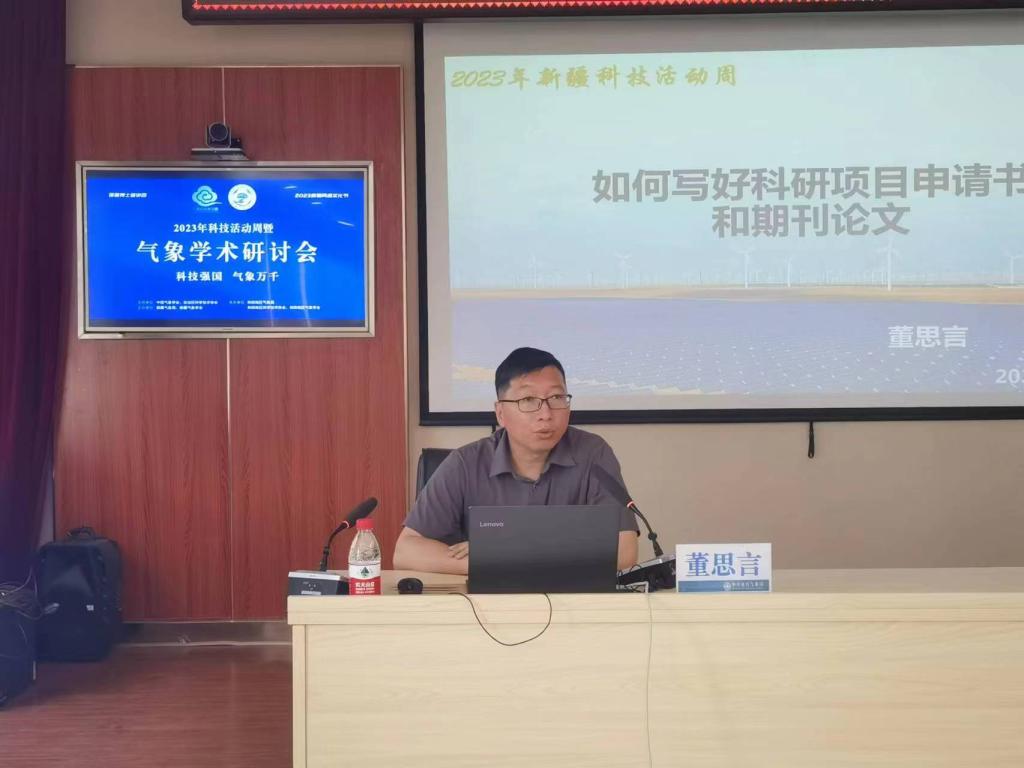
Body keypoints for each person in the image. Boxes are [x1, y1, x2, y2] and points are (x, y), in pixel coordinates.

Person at [394, 347, 639, 575]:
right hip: (486, 603)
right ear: (500, 413)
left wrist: (504, 553)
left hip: (569, 602)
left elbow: (625, 551)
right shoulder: (465, 464)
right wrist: (491, 562)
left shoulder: (593, 454)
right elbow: (406, 551)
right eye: (528, 400)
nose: (546, 414)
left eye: (556, 397)